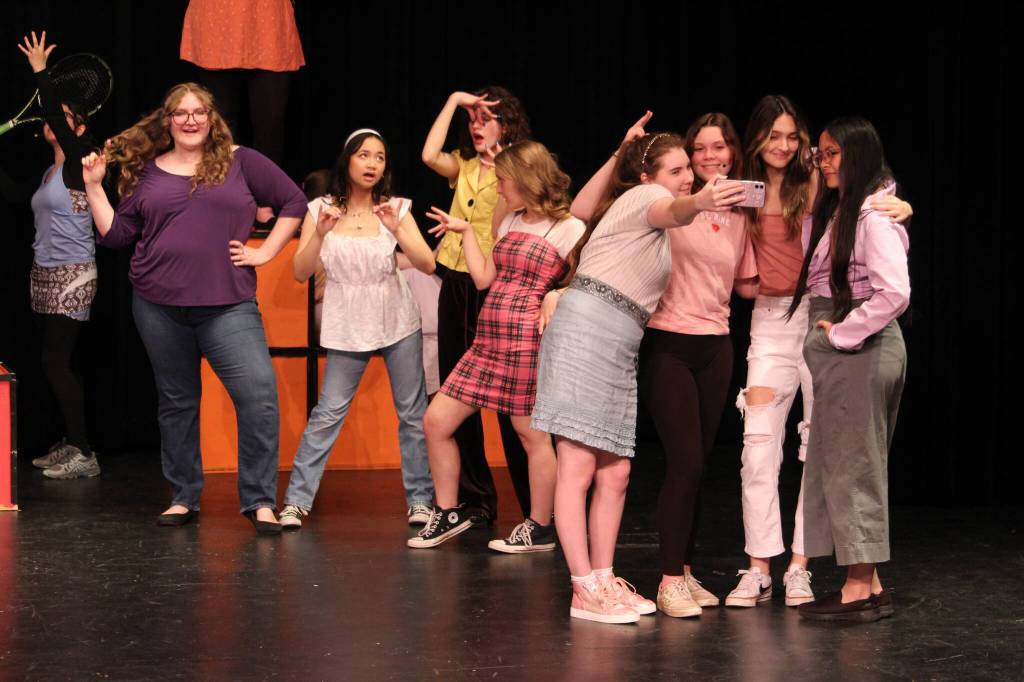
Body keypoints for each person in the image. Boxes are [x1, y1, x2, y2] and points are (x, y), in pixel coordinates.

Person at [532, 113, 745, 624]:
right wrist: (699, 199)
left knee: (618, 470)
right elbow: (675, 206)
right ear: (648, 176)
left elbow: (583, 212)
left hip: (620, 341)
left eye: (686, 171)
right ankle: (583, 586)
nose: (686, 177)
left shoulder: (646, 216)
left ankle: (605, 578)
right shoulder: (646, 199)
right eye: (675, 169)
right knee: (579, 464)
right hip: (588, 331)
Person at [80, 82, 307, 533]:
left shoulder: (242, 162)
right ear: (168, 121)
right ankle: (184, 497)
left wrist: (265, 253)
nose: (190, 119)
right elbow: (117, 235)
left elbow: (294, 202)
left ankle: (259, 501)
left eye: (199, 111)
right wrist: (92, 187)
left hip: (228, 307)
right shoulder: (147, 171)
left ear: (211, 118)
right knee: (177, 402)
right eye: (181, 113)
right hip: (158, 306)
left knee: (259, 397)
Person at [728, 95, 913, 607]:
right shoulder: (746, 191)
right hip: (772, 320)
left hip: (822, 316)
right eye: (773, 136)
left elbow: (872, 185)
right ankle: (758, 565)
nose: (784, 146)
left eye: (793, 137)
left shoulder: (823, 184)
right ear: (757, 140)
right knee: (759, 443)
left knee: (822, 446)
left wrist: (900, 202)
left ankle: (802, 566)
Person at [407, 141, 585, 552]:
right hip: (487, 341)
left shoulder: (569, 228)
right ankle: (449, 511)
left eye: (503, 181)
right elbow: (485, 278)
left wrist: (558, 294)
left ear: (526, 178)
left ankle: (539, 526)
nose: (499, 190)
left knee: (532, 437)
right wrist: (467, 231)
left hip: (525, 342)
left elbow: (584, 282)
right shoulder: (510, 222)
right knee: (436, 421)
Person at [278, 129, 436, 530]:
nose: (371, 164)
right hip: (348, 320)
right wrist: (321, 232)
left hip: (397, 318)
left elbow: (427, 263)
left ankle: (420, 499)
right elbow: (299, 272)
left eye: (379, 157)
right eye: (364, 155)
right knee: (329, 412)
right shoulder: (320, 209)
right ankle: (297, 500)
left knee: (413, 415)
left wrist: (398, 229)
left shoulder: (395, 208)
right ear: (347, 160)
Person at [788, 116, 909, 622]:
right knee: (844, 461)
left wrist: (842, 331)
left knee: (853, 466)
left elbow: (895, 292)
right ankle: (868, 581)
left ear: (856, 156)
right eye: (820, 153)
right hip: (846, 340)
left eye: (832, 153)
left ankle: (859, 587)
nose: (823, 162)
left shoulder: (872, 217)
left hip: (859, 343)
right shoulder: (846, 211)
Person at [639, 113, 758, 617]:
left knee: (699, 466)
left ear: (732, 154)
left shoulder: (740, 215)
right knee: (683, 461)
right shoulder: (669, 203)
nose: (710, 158)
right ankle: (668, 580)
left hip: (717, 345)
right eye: (699, 151)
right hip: (668, 342)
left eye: (719, 148)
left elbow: (748, 284)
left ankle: (684, 573)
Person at [421, 87, 533, 525]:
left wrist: (500, 155)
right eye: (473, 120)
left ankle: (534, 509)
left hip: (496, 282)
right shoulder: (464, 164)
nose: (476, 126)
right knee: (456, 387)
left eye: (485, 118)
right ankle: (474, 499)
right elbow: (430, 154)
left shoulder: (517, 166)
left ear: (506, 123)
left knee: (510, 399)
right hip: (456, 279)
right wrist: (452, 101)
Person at [16, 32, 100, 479]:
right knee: (57, 364)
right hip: (42, 272)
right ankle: (71, 440)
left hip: (72, 274)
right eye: (55, 118)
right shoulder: (51, 170)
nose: (56, 122)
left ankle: (84, 453)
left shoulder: (78, 161)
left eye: (66, 119)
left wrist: (40, 74)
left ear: (79, 129)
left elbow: (56, 116)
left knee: (56, 363)